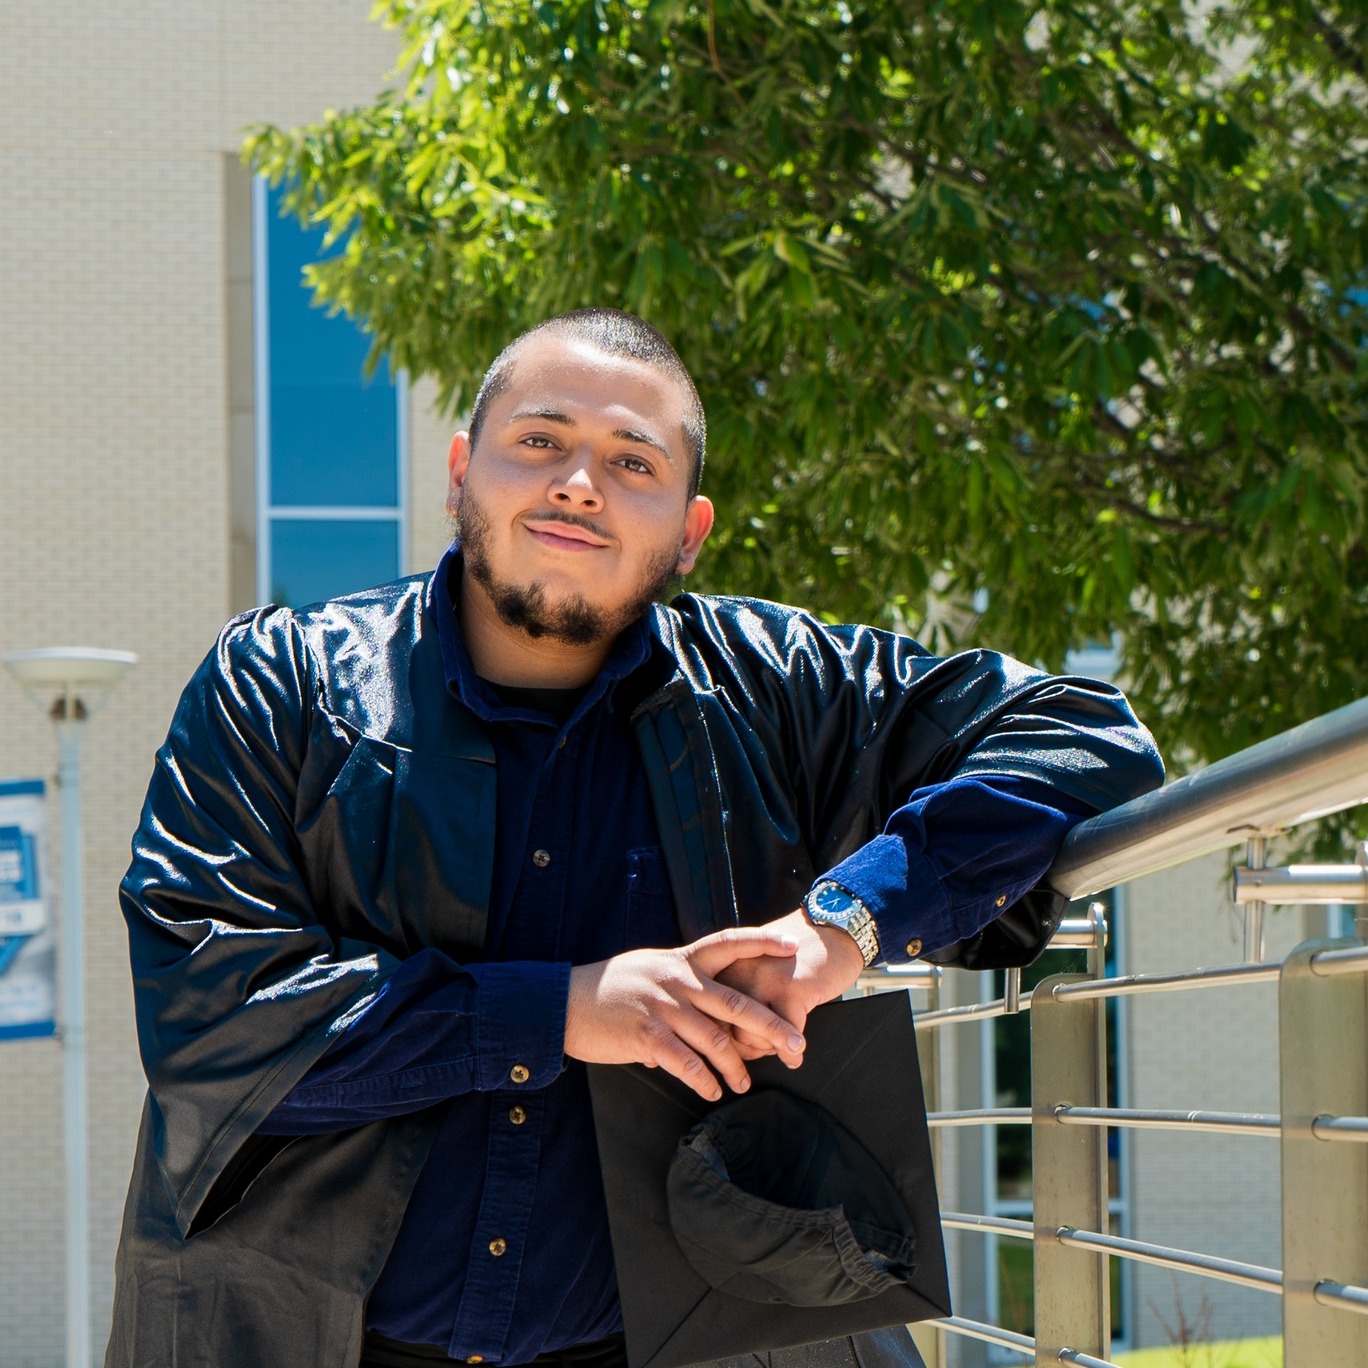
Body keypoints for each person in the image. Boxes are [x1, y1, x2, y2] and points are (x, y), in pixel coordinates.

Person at [107, 308, 1163, 1368]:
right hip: (298, 1335)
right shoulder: (278, 680)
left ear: (690, 532)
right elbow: (207, 1021)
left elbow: (1081, 736)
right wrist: (560, 1010)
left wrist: (844, 923)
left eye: (631, 460)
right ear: (463, 472)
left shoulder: (779, 684)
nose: (579, 482)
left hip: (676, 1339)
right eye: (541, 442)